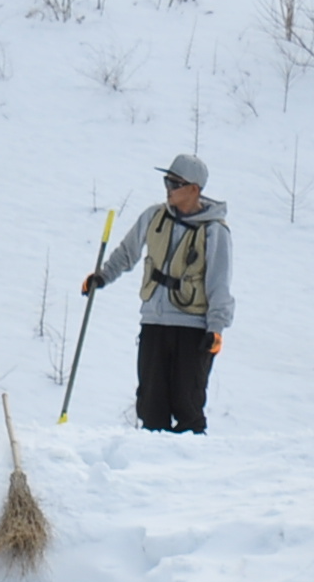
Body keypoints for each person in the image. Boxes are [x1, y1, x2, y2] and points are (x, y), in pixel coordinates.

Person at [82, 154, 235, 434]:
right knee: (151, 405)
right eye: (167, 181)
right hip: (153, 323)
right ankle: (148, 470)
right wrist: (101, 277)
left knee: (187, 404)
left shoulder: (215, 232)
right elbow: (127, 253)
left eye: (175, 183)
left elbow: (219, 284)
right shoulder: (154, 216)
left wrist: (216, 328)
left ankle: (189, 467)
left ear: (195, 189)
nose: (168, 187)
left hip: (193, 329)